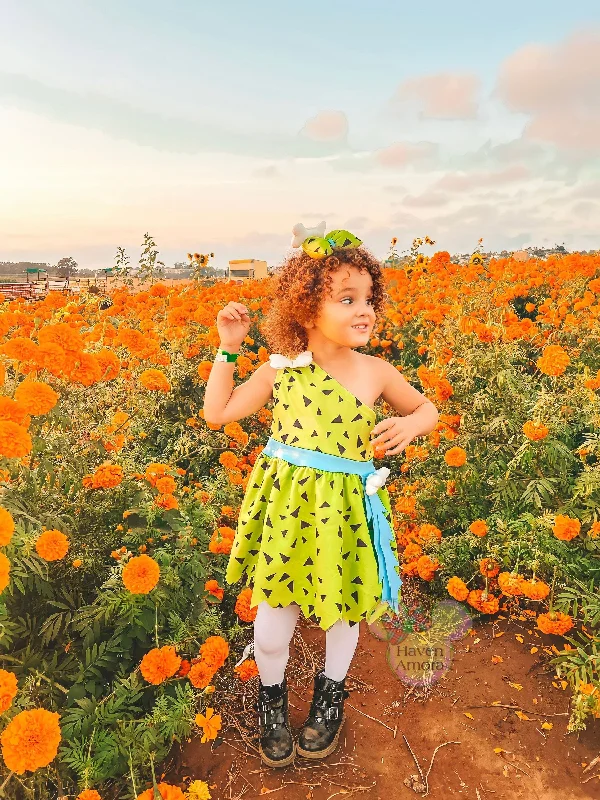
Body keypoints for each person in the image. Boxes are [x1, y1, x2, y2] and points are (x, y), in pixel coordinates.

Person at [203, 223, 439, 769]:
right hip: (287, 512)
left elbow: (427, 409)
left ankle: (330, 697)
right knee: (270, 626)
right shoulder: (281, 370)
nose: (365, 310)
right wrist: (228, 349)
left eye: (368, 298)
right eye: (346, 298)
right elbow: (217, 413)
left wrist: (411, 428)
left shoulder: (376, 372)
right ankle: (272, 696)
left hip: (345, 515)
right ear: (306, 309)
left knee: (343, 613)